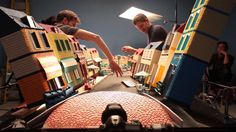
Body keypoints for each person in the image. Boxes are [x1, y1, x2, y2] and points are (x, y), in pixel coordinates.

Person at [55, 10, 122, 77]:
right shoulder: (63, 28)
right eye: (73, 25)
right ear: (65, 20)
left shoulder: (52, 28)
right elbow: (96, 37)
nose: (74, 28)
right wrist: (111, 60)